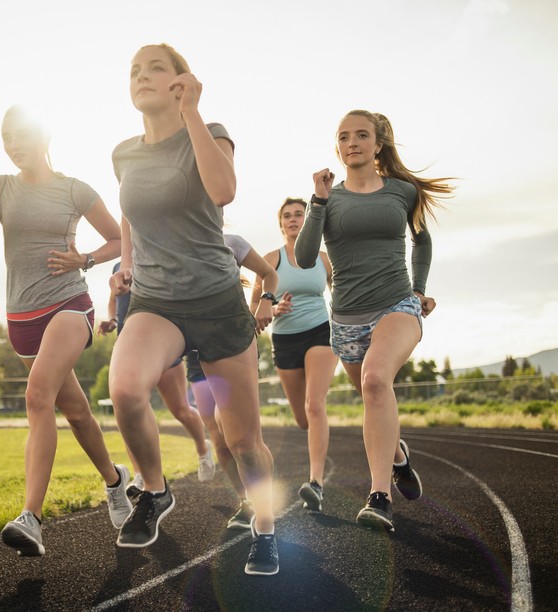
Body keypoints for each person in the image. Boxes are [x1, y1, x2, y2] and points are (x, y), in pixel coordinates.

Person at [108, 43, 280, 576]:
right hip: (157, 301)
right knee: (125, 388)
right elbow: (130, 215)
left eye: (154, 67)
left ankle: (265, 528)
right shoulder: (124, 153)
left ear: (181, 79)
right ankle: (155, 491)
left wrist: (192, 113)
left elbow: (224, 190)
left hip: (218, 304)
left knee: (243, 441)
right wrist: (127, 264)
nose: (141, 76)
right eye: (134, 70)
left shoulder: (210, 129)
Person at [0, 104, 132, 557]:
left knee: (37, 396)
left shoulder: (74, 190)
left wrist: (87, 260)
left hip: (69, 305)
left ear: (43, 137)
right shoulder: (1, 189)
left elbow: (119, 238)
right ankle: (115, 481)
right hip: (21, 319)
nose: (14, 144)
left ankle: (31, 518)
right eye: (7, 137)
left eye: (21, 135)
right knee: (76, 411)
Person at [295, 109, 454, 532]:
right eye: (343, 136)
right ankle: (397, 455)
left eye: (361, 135)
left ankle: (379, 497)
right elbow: (306, 257)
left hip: (396, 305)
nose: (352, 142)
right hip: (346, 319)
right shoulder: (330, 199)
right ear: (338, 147)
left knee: (375, 381)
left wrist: (418, 291)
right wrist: (318, 201)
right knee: (373, 397)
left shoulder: (402, 192)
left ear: (377, 144)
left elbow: (422, 240)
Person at [185, 233, 279, 530]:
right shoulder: (171, 245)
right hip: (195, 355)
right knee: (219, 439)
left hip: (230, 346)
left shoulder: (230, 242)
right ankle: (246, 501)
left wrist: (266, 301)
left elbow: (269, 273)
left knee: (244, 440)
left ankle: (265, 507)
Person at [252, 198, 339, 513]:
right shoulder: (270, 260)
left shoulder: (325, 259)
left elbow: (343, 295)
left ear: (308, 220)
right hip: (285, 340)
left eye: (299, 215)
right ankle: (315, 456)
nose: (293, 220)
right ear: (280, 224)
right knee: (303, 419)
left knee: (315, 405)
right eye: (287, 216)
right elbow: (254, 309)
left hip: (321, 333)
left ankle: (315, 483)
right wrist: (273, 308)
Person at [98, 261, 215, 486]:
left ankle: (203, 449)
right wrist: (113, 321)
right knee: (129, 409)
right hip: (129, 349)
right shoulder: (117, 267)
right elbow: (114, 300)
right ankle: (141, 473)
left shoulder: (157, 259)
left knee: (180, 409)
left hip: (161, 346)